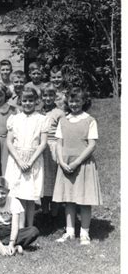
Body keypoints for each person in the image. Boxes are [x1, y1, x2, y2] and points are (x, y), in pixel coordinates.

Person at [53, 87, 102, 245]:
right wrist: (61, 161)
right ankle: (70, 231)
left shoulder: (89, 120)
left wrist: (76, 162)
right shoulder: (63, 120)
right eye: (71, 101)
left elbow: (92, 145)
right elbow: (58, 143)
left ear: (84, 102)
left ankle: (85, 233)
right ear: (67, 102)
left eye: (77, 101)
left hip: (83, 163)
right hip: (66, 164)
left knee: (84, 199)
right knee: (69, 199)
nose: (74, 104)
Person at [5, 87, 47, 227]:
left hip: (33, 160)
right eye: (24, 100)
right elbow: (9, 142)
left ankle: (30, 226)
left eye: (31, 100)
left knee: (30, 196)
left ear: (36, 101)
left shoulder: (41, 119)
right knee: (18, 194)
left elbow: (42, 144)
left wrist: (30, 161)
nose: (27, 103)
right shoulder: (14, 119)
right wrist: (19, 160)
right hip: (17, 160)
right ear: (20, 102)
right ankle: (19, 226)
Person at [39, 83, 65, 226]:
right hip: (41, 147)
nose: (47, 98)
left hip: (54, 147)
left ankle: (55, 214)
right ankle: (44, 212)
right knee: (42, 181)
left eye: (50, 95)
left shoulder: (59, 113)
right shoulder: (39, 112)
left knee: (54, 181)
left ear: (55, 96)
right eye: (45, 95)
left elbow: (62, 133)